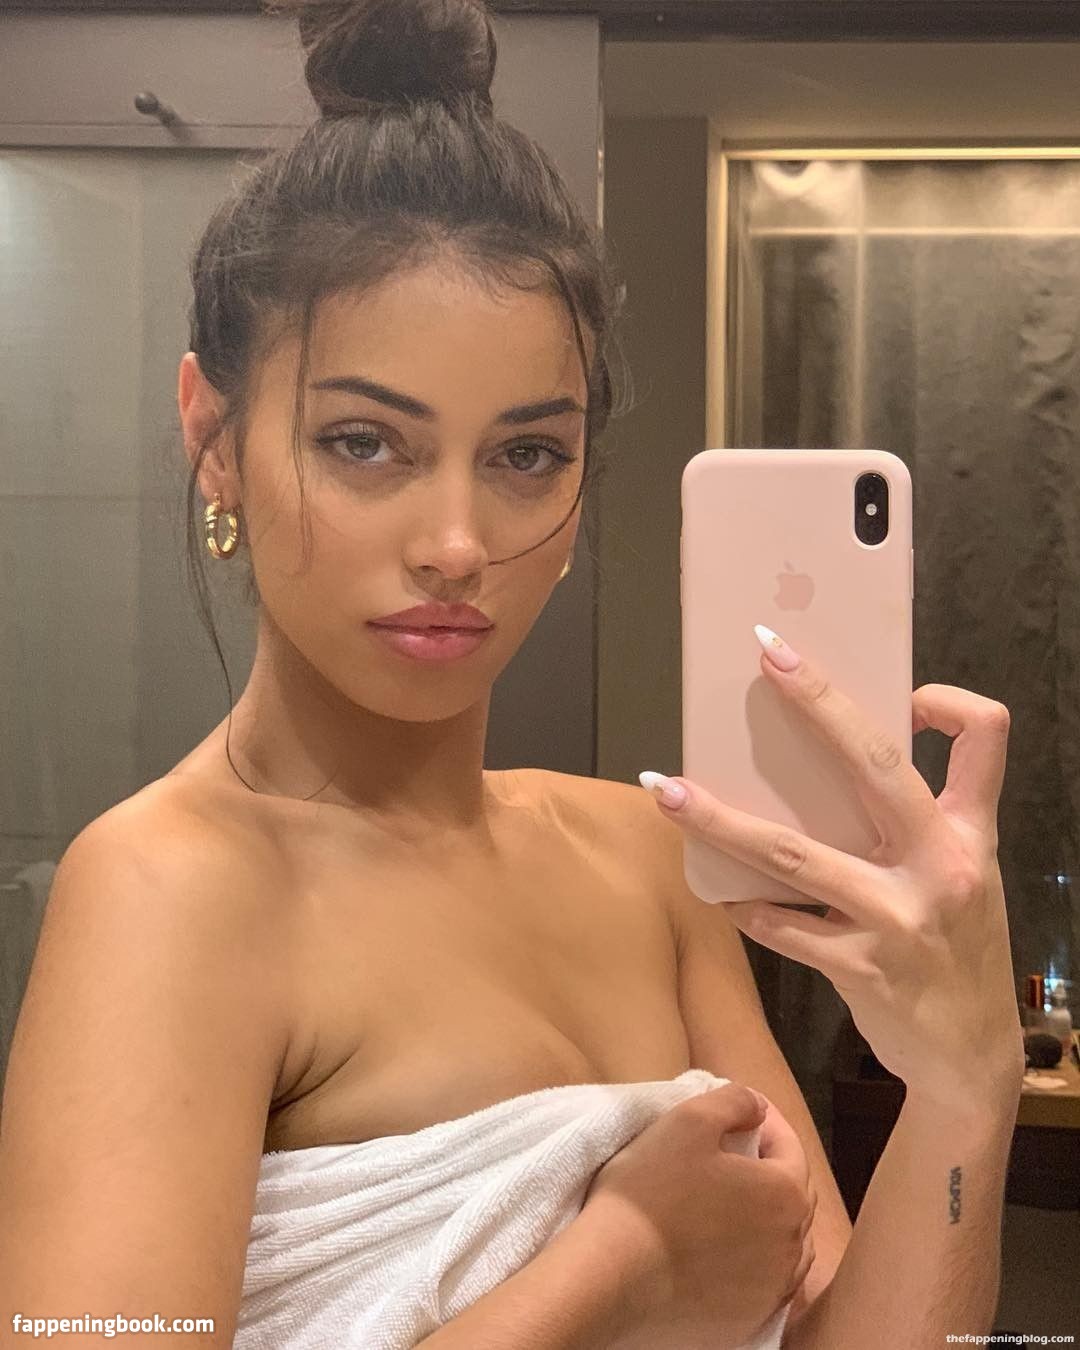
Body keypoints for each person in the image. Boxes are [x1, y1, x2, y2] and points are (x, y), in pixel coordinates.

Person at [0, 0, 1025, 1346]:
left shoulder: (644, 860)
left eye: (526, 454)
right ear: (214, 441)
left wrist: (964, 1083)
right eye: (365, 442)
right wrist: (623, 1266)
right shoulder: (171, 889)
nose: (457, 543)